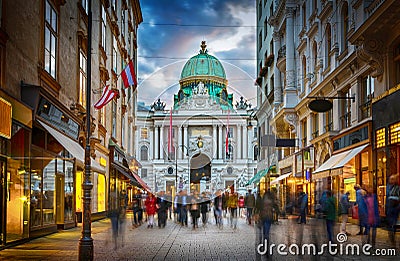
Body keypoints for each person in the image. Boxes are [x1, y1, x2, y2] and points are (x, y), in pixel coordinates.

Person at [386, 174, 400, 246]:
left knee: (393, 225)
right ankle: (392, 240)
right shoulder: (389, 187)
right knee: (390, 225)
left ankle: (392, 241)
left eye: (392, 179)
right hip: (389, 208)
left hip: (395, 208)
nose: (391, 181)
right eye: (390, 179)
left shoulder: (397, 187)